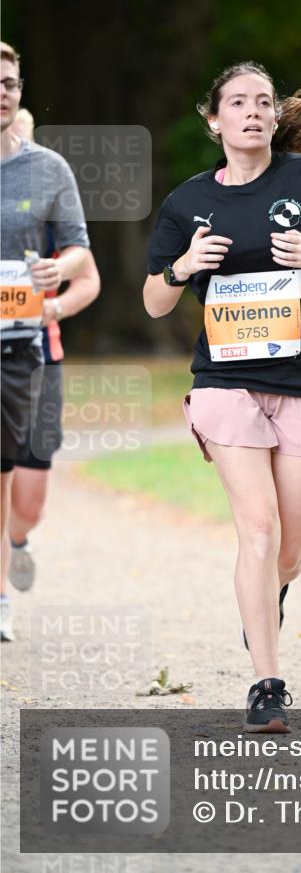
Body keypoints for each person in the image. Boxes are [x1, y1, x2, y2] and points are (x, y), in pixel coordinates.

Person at [144, 61, 301, 732]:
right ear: (213, 120)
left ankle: (264, 602)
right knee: (258, 526)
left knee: (290, 550)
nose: (252, 111)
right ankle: (266, 684)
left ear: (276, 118)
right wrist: (182, 267)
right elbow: (155, 303)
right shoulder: (188, 202)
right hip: (225, 381)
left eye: (264, 102)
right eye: (237, 102)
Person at [1, 41, 90, 641]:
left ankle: (19, 540)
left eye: (7, 82)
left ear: (18, 91)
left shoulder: (48, 169)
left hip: (29, 350)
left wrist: (58, 276)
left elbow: (83, 255)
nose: (0, 92)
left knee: (26, 499)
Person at [7, 99, 101, 592]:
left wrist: (52, 308)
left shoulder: (49, 202)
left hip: (41, 357)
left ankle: (16, 541)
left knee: (28, 506)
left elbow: (88, 279)